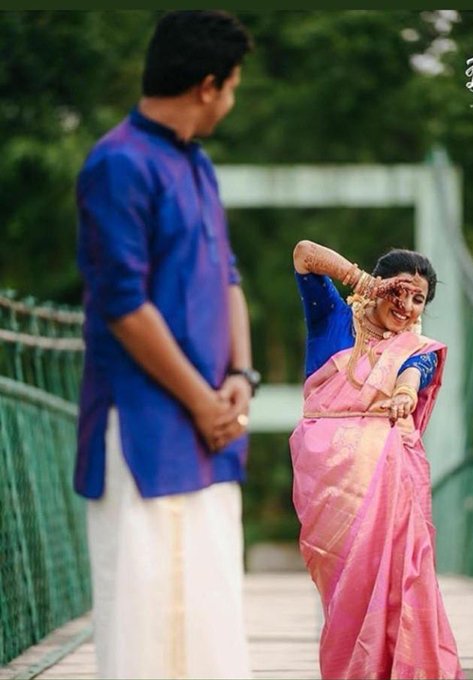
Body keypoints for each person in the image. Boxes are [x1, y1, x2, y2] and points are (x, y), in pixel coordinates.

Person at [75, 11, 259, 680]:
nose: (232, 99)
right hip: (143, 430)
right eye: (234, 85)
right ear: (208, 85)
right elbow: (123, 305)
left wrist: (240, 373)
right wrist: (203, 402)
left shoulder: (199, 166)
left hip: (209, 431)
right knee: (143, 628)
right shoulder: (117, 163)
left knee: (212, 626)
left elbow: (228, 277)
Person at [289, 240, 464, 680]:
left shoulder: (415, 349)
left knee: (397, 585)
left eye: (418, 298)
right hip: (327, 487)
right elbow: (303, 254)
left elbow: (415, 372)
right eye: (399, 291)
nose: (405, 305)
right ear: (380, 285)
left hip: (388, 486)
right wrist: (362, 282)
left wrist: (405, 391)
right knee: (346, 595)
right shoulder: (331, 317)